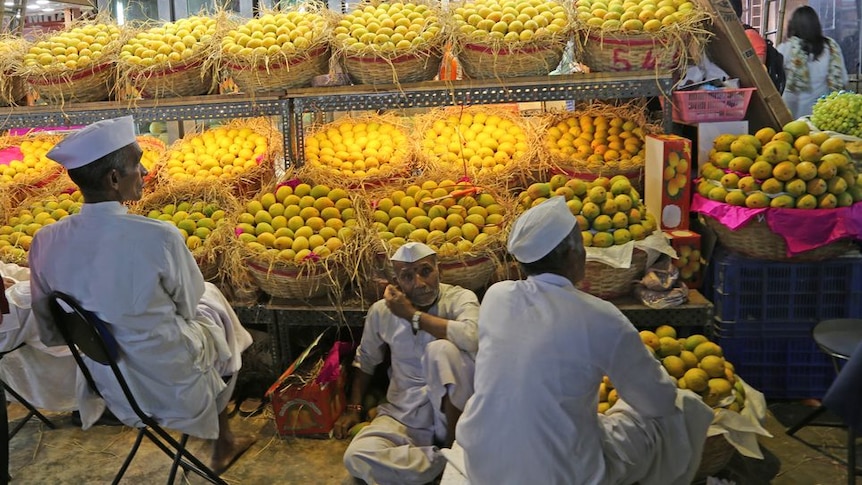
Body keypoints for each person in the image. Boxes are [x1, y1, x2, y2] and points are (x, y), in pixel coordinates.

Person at [27, 116, 256, 474]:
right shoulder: (158, 236)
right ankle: (220, 436)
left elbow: (51, 330)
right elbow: (187, 302)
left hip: (112, 386)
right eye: (136, 164)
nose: (145, 170)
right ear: (114, 179)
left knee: (202, 314)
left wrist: (107, 334)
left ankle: (221, 437)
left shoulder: (45, 240)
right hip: (173, 381)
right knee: (215, 309)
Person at [456, 196, 714, 484]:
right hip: (561, 476)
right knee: (679, 408)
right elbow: (659, 401)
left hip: (483, 466)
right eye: (581, 243)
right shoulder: (600, 316)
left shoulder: (496, 296)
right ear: (571, 253)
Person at [333, 242, 479, 484]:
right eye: (408, 276)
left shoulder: (460, 298)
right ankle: (444, 461)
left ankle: (453, 445)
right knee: (357, 456)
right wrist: (353, 408)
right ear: (396, 281)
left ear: (437, 269)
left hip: (452, 415)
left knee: (440, 349)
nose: (420, 283)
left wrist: (413, 316)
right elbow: (366, 360)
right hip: (404, 413)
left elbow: (473, 338)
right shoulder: (382, 311)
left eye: (425, 271)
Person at [777, 5, 849, 119]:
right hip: (824, 115)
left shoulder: (785, 48)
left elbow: (775, 82)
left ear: (793, 26)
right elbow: (843, 81)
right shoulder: (831, 48)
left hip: (791, 114)